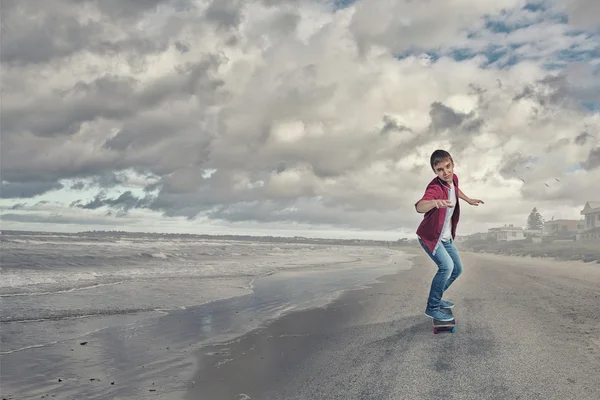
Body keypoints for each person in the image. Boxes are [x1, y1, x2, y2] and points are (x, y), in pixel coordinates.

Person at [414, 149, 484, 321]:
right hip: (430, 237)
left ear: (452, 163)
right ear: (434, 171)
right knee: (446, 267)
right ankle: (432, 307)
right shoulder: (434, 187)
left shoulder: (454, 178)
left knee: (457, 269)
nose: (445, 172)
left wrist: (468, 200)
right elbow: (419, 206)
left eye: (448, 167)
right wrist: (434, 202)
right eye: (440, 170)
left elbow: (456, 189)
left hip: (446, 237)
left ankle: (436, 298)